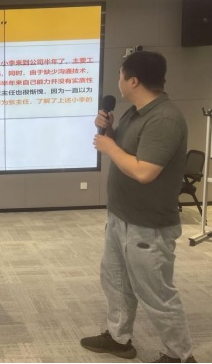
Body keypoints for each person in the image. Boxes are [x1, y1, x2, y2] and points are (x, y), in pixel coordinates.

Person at [81, 51, 196, 363]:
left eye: (120, 75)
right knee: (116, 281)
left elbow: (145, 171)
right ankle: (119, 339)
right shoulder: (135, 113)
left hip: (148, 225)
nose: (118, 81)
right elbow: (128, 152)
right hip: (121, 216)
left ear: (133, 81)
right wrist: (110, 131)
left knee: (156, 293)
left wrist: (108, 146)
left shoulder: (164, 119)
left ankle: (180, 356)